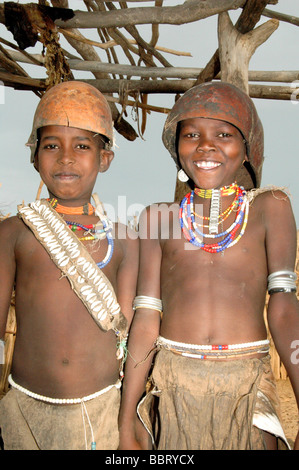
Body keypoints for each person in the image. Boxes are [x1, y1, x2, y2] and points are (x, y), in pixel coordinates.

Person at [118, 81, 299, 450]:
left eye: (224, 134)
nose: (206, 145)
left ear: (247, 147)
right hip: (174, 385)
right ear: (177, 147)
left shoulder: (270, 208)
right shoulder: (158, 219)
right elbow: (147, 319)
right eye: (191, 135)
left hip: (247, 384)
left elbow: (283, 309)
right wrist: (126, 423)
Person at [0, 81, 138, 450]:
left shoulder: (124, 239)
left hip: (102, 412)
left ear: (104, 158)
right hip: (23, 411)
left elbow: (128, 337)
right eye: (51, 146)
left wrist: (129, 423)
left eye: (82, 145)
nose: (65, 157)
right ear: (34, 156)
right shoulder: (15, 232)